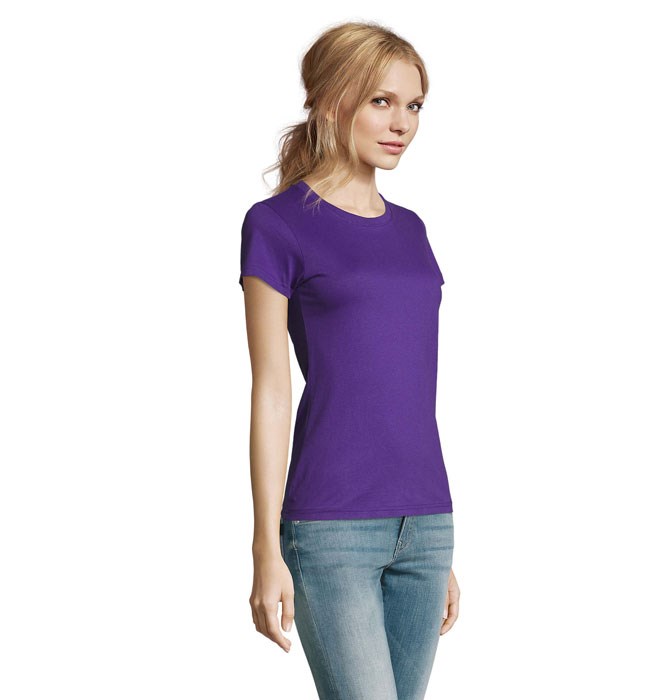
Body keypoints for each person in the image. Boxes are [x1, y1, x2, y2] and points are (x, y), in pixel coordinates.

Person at [239, 20, 460, 700]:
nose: (402, 123)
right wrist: (265, 546)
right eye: (381, 101)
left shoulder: (412, 230)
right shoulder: (276, 224)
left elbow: (405, 384)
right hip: (331, 527)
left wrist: (436, 548)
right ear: (333, 100)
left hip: (426, 524)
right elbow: (272, 391)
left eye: (414, 105)